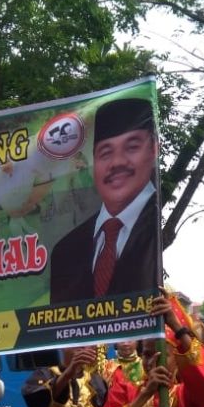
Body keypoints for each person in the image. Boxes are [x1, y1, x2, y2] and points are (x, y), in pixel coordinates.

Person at [49, 97, 159, 304]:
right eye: (105, 153)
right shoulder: (65, 251)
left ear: (154, 150)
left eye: (132, 147)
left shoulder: (157, 229)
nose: (117, 162)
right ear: (93, 163)